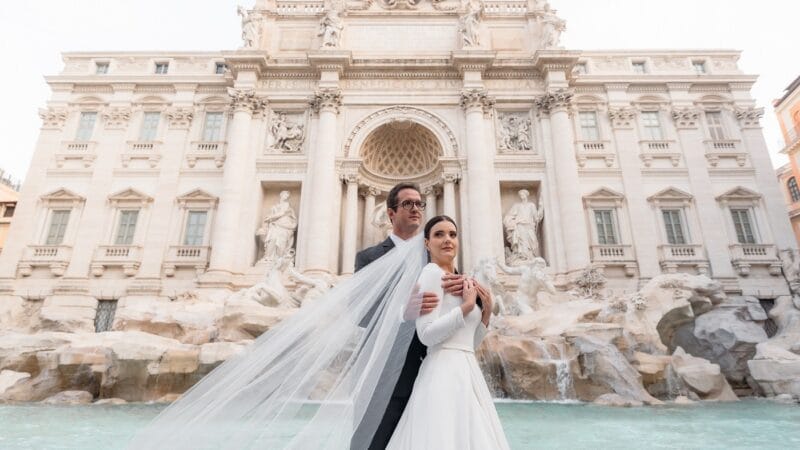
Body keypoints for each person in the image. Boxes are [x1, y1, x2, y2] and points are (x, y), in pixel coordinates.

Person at [353, 182, 484, 449]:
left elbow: (455, 307)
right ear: (390, 213)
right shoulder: (368, 258)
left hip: (433, 368)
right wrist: (403, 313)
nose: (415, 208)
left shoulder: (437, 256)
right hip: (384, 372)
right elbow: (361, 315)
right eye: (407, 204)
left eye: (419, 204)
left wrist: (484, 305)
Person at [387, 216, 510, 449]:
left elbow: (468, 344)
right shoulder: (431, 273)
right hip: (441, 373)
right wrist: (465, 308)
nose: (447, 240)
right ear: (427, 243)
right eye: (439, 234)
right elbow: (426, 335)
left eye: (452, 235)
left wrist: (486, 313)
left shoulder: (464, 281)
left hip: (467, 371)